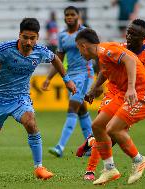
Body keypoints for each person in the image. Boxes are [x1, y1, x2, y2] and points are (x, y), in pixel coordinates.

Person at [0, 18, 77, 183]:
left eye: (32, 38)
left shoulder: (40, 51)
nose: (28, 42)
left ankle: (39, 167)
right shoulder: (5, 49)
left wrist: (67, 80)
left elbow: (55, 59)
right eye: (25, 37)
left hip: (20, 98)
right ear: (19, 35)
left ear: (37, 37)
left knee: (31, 123)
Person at [76, 19, 145, 181]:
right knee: (98, 126)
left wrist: (131, 89)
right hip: (121, 93)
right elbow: (106, 70)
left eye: (78, 50)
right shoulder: (106, 53)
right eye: (128, 32)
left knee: (113, 129)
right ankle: (109, 169)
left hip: (141, 92)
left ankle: (139, 160)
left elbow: (129, 61)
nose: (128, 36)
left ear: (83, 46)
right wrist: (95, 88)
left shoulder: (106, 49)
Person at [42, 6, 94, 158]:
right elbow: (58, 59)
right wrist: (48, 78)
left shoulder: (86, 33)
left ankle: (60, 146)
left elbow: (96, 52)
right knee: (82, 111)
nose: (69, 17)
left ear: (78, 16)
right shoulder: (62, 35)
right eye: (67, 15)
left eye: (72, 14)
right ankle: (91, 145)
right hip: (70, 77)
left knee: (72, 108)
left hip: (85, 75)